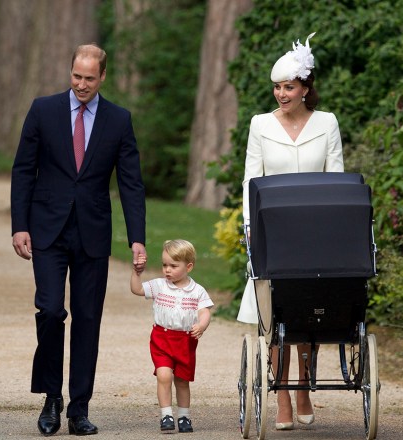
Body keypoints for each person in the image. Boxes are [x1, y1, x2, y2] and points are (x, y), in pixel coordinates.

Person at [10, 43, 147, 436]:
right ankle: (51, 397)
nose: (82, 84)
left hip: (92, 232)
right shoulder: (43, 110)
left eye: (89, 78)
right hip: (47, 229)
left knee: (88, 320)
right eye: (76, 76)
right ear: (69, 72)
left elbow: (131, 184)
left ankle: (78, 409)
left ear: (102, 77)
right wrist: (20, 225)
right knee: (51, 311)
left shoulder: (119, 120)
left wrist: (137, 238)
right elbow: (23, 170)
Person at [238, 33, 344, 430]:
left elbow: (337, 176)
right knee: (276, 315)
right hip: (274, 231)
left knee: (309, 315)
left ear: (305, 87)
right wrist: (250, 227)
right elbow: (252, 179)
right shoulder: (260, 124)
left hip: (317, 232)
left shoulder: (327, 123)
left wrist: (338, 229)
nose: (282, 94)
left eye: (289, 87)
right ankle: (282, 395)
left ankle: (304, 387)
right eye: (277, 87)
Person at [130, 239, 213, 434]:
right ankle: (166, 415)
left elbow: (205, 312)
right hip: (162, 338)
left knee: (182, 380)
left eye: (173, 266)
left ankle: (184, 416)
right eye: (165, 265)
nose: (167, 270)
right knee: (164, 375)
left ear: (189, 267)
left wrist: (201, 325)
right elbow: (137, 289)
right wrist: (136, 273)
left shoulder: (197, 291)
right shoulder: (160, 285)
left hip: (185, 340)